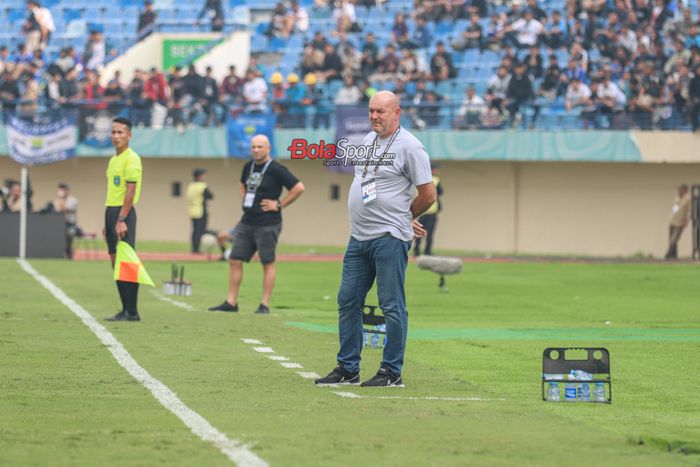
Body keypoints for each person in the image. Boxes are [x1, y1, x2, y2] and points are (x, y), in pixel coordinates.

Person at [316, 91, 436, 387]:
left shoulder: (411, 147)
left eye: (381, 111)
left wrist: (406, 217)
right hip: (359, 237)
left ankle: (391, 372)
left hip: (389, 238)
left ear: (397, 112)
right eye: (371, 111)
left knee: (391, 305)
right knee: (348, 300)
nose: (374, 116)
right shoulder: (368, 141)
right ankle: (348, 367)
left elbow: (428, 195)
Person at [209, 134, 304, 314]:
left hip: (268, 223)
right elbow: (242, 186)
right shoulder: (248, 166)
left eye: (259, 147)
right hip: (247, 221)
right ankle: (231, 302)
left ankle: (264, 304)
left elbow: (298, 188)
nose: (255, 150)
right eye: (253, 147)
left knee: (267, 262)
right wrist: (245, 202)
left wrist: (279, 204)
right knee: (235, 259)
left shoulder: (277, 169)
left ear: (268, 148)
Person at [104, 117, 144, 322]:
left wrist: (121, 219)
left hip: (124, 213)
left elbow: (130, 192)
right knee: (115, 261)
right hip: (111, 212)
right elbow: (113, 191)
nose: (116, 136)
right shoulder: (113, 160)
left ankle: (133, 311)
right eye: (113, 132)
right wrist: (107, 222)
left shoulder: (132, 158)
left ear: (129, 135)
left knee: (127, 261)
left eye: (120, 132)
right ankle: (125, 309)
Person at [414, 163, 443, 256]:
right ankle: (427, 251)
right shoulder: (436, 180)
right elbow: (440, 192)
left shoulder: (419, 179)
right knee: (429, 233)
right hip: (432, 211)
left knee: (418, 231)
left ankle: (416, 251)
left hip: (421, 211)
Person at [187, 168, 214, 254]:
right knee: (200, 230)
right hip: (201, 210)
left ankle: (194, 248)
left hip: (192, 210)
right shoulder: (202, 186)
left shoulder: (190, 186)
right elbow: (210, 196)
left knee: (195, 230)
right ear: (199, 176)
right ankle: (196, 250)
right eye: (203, 175)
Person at [51, 183, 80, 259]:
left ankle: (69, 254)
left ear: (68, 190)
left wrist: (61, 199)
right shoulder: (56, 201)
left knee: (69, 234)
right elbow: (56, 210)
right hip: (59, 224)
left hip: (71, 224)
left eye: (64, 189)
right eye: (60, 189)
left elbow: (66, 209)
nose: (62, 191)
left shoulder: (73, 200)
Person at [665, 184, 691, 260]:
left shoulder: (688, 198)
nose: (679, 191)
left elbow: (689, 210)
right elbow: (675, 208)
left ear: (685, 190)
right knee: (671, 240)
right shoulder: (677, 197)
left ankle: (667, 254)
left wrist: (686, 220)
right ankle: (674, 255)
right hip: (673, 221)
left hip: (680, 222)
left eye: (680, 190)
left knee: (674, 239)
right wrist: (671, 215)